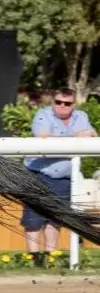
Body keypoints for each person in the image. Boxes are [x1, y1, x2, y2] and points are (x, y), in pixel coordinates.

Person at [22, 88, 96, 267]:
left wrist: (83, 136)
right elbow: (42, 137)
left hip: (63, 177)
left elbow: (92, 135)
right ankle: (34, 258)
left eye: (67, 103)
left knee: (55, 219)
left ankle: (50, 256)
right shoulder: (43, 114)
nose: (62, 106)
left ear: (73, 105)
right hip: (37, 173)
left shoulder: (81, 116)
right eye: (58, 102)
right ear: (53, 102)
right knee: (33, 218)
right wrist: (74, 136)